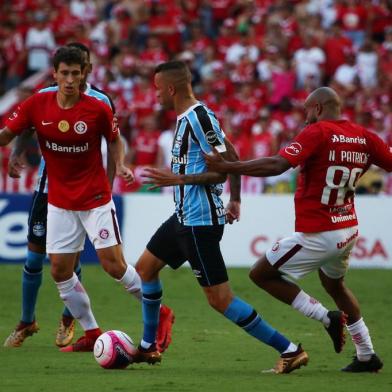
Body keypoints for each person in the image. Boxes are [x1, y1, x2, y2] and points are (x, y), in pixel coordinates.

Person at [132, 60, 309, 374]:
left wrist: (181, 180)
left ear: (171, 89)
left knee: (220, 300)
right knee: (145, 268)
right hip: (183, 218)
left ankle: (290, 349)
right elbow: (233, 155)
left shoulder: (198, 118)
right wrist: (236, 199)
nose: (155, 95)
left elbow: (222, 170)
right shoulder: (194, 117)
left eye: (157, 89)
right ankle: (148, 347)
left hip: (199, 224)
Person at [205, 86, 390, 373]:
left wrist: (231, 166)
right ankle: (367, 355)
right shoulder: (365, 137)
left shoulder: (318, 132)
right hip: (347, 228)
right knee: (334, 285)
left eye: (306, 111)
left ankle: (327, 318)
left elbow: (278, 164)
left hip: (319, 232)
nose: (304, 118)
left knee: (261, 274)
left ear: (317, 108)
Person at [0, 46, 172, 353]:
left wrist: (119, 166)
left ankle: (160, 313)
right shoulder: (37, 103)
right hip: (59, 202)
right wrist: (12, 150)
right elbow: (7, 133)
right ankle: (92, 331)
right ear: (54, 74)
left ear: (84, 75)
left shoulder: (97, 107)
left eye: (75, 74)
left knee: (114, 266)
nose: (69, 80)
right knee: (60, 271)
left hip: (94, 199)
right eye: (64, 73)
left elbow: (115, 139)